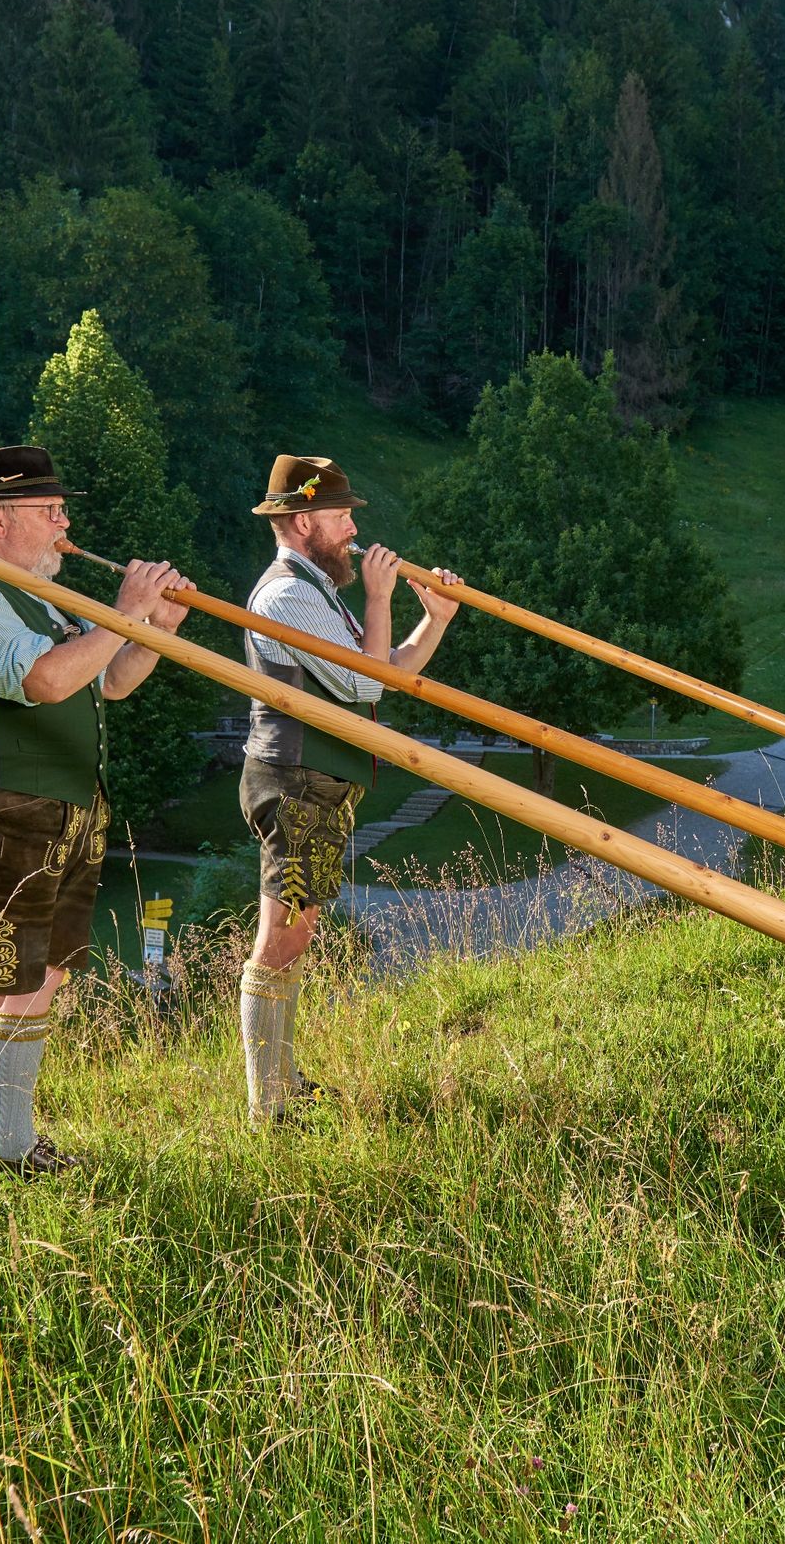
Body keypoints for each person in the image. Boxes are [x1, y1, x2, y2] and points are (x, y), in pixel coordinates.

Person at [0, 446, 190, 1196]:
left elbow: (114, 681)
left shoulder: (42, 595)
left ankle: (14, 1144)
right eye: (50, 509)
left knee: (44, 976)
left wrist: (158, 627)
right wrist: (127, 612)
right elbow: (44, 678)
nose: (66, 522)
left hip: (70, 810)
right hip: (0, 811)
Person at [236, 456, 462, 1125]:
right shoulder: (286, 595)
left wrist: (438, 618)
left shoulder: (315, 590)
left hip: (318, 781)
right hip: (293, 777)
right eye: (342, 516)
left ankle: (281, 1083)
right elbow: (366, 684)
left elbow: (385, 670)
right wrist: (380, 594)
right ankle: (267, 1104)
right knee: (282, 932)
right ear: (303, 521)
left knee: (297, 929)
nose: (353, 527)